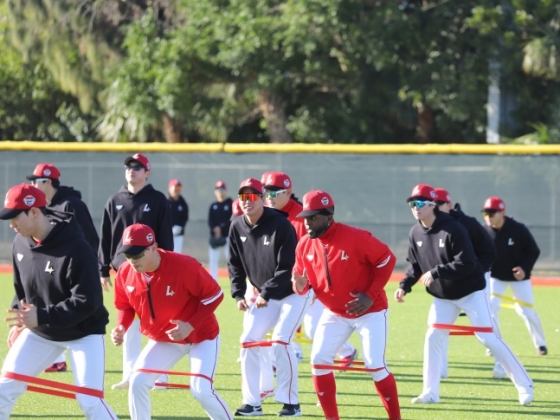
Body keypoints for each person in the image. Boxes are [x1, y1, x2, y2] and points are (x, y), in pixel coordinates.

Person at [395, 184, 534, 406]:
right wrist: (405, 285)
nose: (415, 208)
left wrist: (437, 271)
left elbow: (467, 263)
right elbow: (414, 266)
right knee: (432, 337)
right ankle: (430, 392)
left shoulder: (454, 228)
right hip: (443, 297)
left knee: (488, 338)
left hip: (471, 292)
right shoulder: (415, 232)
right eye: (412, 203)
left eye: (420, 203)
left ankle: (524, 384)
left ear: (433, 205)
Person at [0, 184, 118, 419]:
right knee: (4, 389)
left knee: (90, 402)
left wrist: (41, 316)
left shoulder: (77, 247)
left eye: (15, 217)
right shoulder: (20, 243)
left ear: (34, 212)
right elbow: (21, 289)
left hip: (84, 333)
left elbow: (88, 301)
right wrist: (20, 319)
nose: (11, 224)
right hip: (41, 332)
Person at [292, 190, 401, 420]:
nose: (307, 223)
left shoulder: (356, 237)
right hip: (334, 313)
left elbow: (387, 260)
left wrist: (371, 295)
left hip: (370, 311)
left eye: (313, 217)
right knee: (319, 360)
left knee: (375, 365)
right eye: (305, 217)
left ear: (329, 216)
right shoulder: (303, 245)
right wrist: (300, 286)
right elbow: (301, 284)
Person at [112, 224, 233, 420]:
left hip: (200, 337)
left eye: (137, 254)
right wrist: (121, 326)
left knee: (201, 390)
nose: (132, 260)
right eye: (127, 254)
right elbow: (125, 306)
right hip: (164, 339)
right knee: (138, 381)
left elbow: (215, 295)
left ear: (153, 247)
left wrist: (190, 324)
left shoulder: (184, 266)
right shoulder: (125, 272)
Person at [228, 178, 311, 417]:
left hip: (294, 292)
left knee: (281, 342)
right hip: (265, 294)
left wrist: (265, 292)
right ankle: (252, 402)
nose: (247, 201)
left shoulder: (281, 225)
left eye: (253, 196)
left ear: (262, 199)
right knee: (248, 340)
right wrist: (237, 294)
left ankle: (290, 403)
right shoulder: (236, 226)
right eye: (243, 197)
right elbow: (234, 264)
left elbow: (287, 267)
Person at [262, 172, 357, 365]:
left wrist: (312, 286)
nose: (269, 197)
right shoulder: (265, 215)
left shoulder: (301, 219)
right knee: (274, 324)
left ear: (288, 193)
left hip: (306, 283)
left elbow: (317, 252)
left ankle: (347, 350)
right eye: (266, 192)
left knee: (313, 327)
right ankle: (276, 360)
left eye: (274, 192)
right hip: (280, 282)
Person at [98, 153, 173, 390]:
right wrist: (102, 268)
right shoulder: (114, 200)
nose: (132, 170)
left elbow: (165, 235)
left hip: (152, 269)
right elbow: (106, 237)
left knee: (156, 319)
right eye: (129, 166)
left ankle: (159, 375)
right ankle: (130, 373)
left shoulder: (158, 199)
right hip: (124, 271)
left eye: (138, 167)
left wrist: (166, 264)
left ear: (147, 172)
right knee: (127, 323)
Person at [26, 162, 100, 373]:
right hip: (55, 267)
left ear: (48, 181)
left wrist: (90, 266)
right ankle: (57, 359)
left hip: (75, 268)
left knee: (72, 309)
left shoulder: (71, 204)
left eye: (36, 180)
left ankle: (70, 357)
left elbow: (89, 238)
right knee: (52, 305)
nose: (32, 184)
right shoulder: (46, 207)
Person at [434, 187, 496, 378]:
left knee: (487, 328)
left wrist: (478, 271)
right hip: (447, 282)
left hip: (475, 281)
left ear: (449, 204)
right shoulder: (431, 225)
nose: (434, 208)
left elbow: (488, 249)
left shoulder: (467, 223)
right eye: (431, 204)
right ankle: (440, 371)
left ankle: (501, 365)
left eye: (438, 204)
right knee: (438, 328)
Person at [481, 196, 547, 356]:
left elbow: (534, 251)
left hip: (519, 278)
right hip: (496, 277)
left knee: (527, 312)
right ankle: (494, 343)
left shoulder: (518, 229)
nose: (488, 217)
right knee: (491, 307)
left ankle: (541, 344)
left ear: (502, 212)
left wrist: (524, 268)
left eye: (491, 213)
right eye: (486, 213)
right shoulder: (484, 231)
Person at [208, 181, 233, 281]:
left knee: (231, 261)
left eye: (222, 189)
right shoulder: (213, 206)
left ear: (225, 191)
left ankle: (234, 283)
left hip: (228, 237)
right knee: (213, 262)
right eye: (218, 189)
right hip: (215, 237)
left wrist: (220, 228)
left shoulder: (230, 203)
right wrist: (215, 230)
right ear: (215, 191)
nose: (220, 192)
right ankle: (214, 283)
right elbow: (210, 221)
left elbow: (231, 219)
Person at [167, 178, 189, 253]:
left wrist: (180, 227)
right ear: (170, 188)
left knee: (177, 253)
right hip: (167, 233)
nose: (177, 190)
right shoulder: (165, 202)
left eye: (179, 187)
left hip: (179, 233)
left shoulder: (183, 203)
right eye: (175, 187)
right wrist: (170, 228)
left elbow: (185, 217)